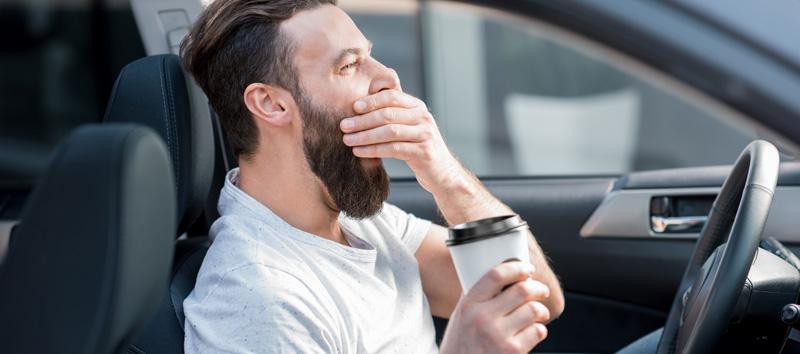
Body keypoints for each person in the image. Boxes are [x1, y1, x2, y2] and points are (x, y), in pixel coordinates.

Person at [180, 1, 564, 353]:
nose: (388, 78)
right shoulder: (257, 298)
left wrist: (446, 175)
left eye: (371, 56)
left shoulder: (356, 222)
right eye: (348, 65)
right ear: (271, 104)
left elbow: (537, 298)